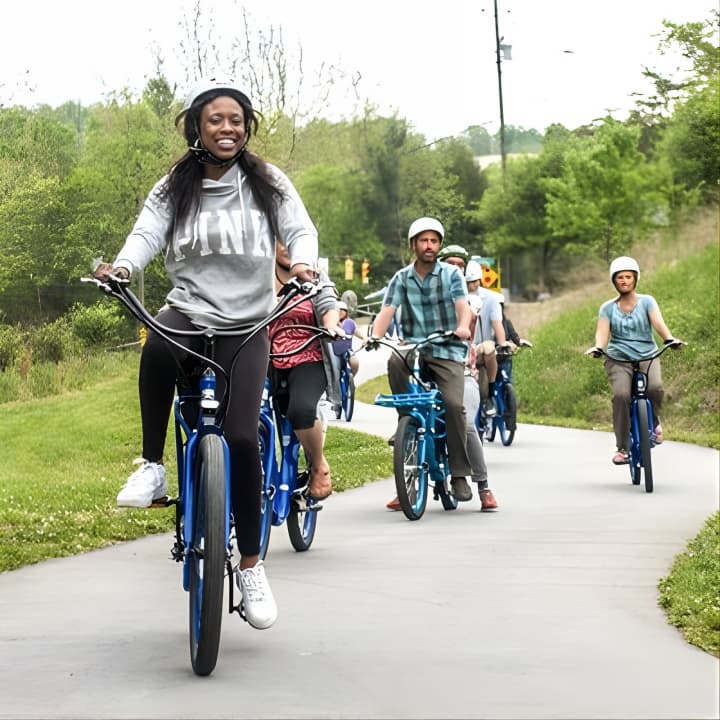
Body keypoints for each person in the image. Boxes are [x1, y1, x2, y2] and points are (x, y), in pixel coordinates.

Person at [93, 78, 320, 631]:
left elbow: (301, 230)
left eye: (236, 120)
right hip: (191, 312)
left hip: (247, 325)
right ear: (197, 126)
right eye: (216, 119)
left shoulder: (267, 181)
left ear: (247, 128)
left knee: (241, 439)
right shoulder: (177, 185)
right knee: (156, 346)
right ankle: (153, 468)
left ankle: (251, 565)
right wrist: (123, 267)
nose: (227, 128)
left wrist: (304, 264)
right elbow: (146, 234)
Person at [367, 217, 474, 506]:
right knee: (395, 359)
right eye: (424, 241)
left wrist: (462, 327)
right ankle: (407, 420)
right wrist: (375, 336)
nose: (429, 246)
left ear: (439, 245)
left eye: (434, 241)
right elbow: (387, 310)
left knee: (453, 405)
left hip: (447, 348)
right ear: (413, 244)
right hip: (415, 345)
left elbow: (463, 307)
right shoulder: (402, 278)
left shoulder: (451, 274)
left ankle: (459, 474)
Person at [586, 256, 682, 465]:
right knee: (621, 396)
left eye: (628, 277)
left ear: (635, 279)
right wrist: (599, 348)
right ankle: (623, 448)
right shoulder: (607, 308)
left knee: (655, 388)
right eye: (620, 277)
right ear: (614, 281)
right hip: (618, 358)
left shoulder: (647, 301)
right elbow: (602, 333)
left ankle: (653, 422)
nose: (624, 281)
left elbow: (658, 323)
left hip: (647, 355)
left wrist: (669, 338)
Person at [269, 240, 340, 500]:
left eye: (293, 241)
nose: (288, 247)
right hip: (262, 357)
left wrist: (331, 326)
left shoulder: (314, 273)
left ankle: (318, 464)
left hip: (306, 356)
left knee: (300, 410)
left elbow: (328, 304)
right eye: (282, 240)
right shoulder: (256, 273)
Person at [463, 295, 499, 510]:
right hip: (430, 381)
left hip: (464, 377)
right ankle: (405, 488)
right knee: (413, 419)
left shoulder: (467, 340)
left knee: (466, 424)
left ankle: (483, 485)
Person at [464, 260, 509, 416]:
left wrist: (502, 344)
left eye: (474, 281)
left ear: (480, 280)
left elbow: (497, 324)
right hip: (462, 348)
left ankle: (490, 394)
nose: (471, 286)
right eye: (468, 282)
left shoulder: (490, 299)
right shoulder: (457, 296)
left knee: (489, 347)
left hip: (481, 347)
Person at [330, 301, 364, 376]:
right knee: (335, 369)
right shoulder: (330, 323)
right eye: (338, 310)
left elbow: (357, 332)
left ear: (346, 312)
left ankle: (350, 379)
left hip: (347, 351)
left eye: (343, 310)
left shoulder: (349, 322)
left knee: (355, 363)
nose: (341, 312)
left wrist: (365, 338)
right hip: (333, 353)